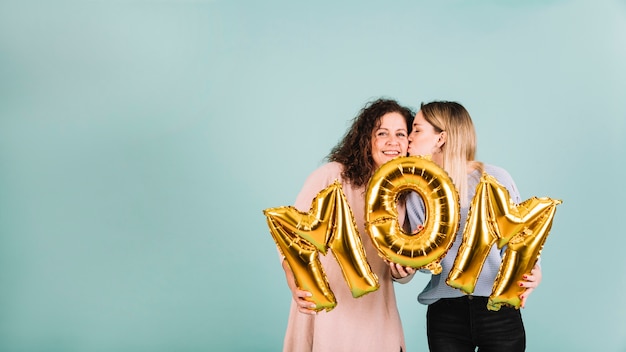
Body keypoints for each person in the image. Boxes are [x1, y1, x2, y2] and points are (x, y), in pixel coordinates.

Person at [392, 101, 542, 351]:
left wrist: (534, 271)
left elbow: (522, 240)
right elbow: (429, 267)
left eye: (417, 130)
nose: (408, 137)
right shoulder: (416, 193)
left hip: (499, 310)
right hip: (446, 316)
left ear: (441, 138)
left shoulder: (495, 179)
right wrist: (416, 257)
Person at [279, 98, 415, 352]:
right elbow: (291, 237)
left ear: (409, 143)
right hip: (328, 309)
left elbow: (400, 271)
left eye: (400, 134)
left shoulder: (405, 193)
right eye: (381, 133)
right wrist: (293, 282)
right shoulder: (332, 176)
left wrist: (404, 269)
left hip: (376, 314)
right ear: (366, 139)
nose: (392, 142)